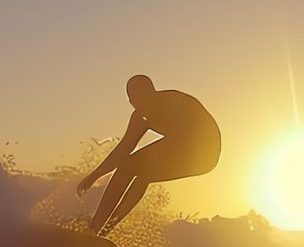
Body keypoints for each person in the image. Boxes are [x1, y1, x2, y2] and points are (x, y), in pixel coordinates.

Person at [77, 75, 220, 236]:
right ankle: (97, 230)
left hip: (206, 150)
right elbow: (122, 150)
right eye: (133, 100)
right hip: (182, 148)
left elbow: (198, 131)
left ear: (153, 92)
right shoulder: (140, 117)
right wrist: (93, 176)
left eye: (142, 97)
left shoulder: (173, 102)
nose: (138, 104)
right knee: (136, 171)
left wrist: (146, 163)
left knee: (133, 168)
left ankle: (101, 230)